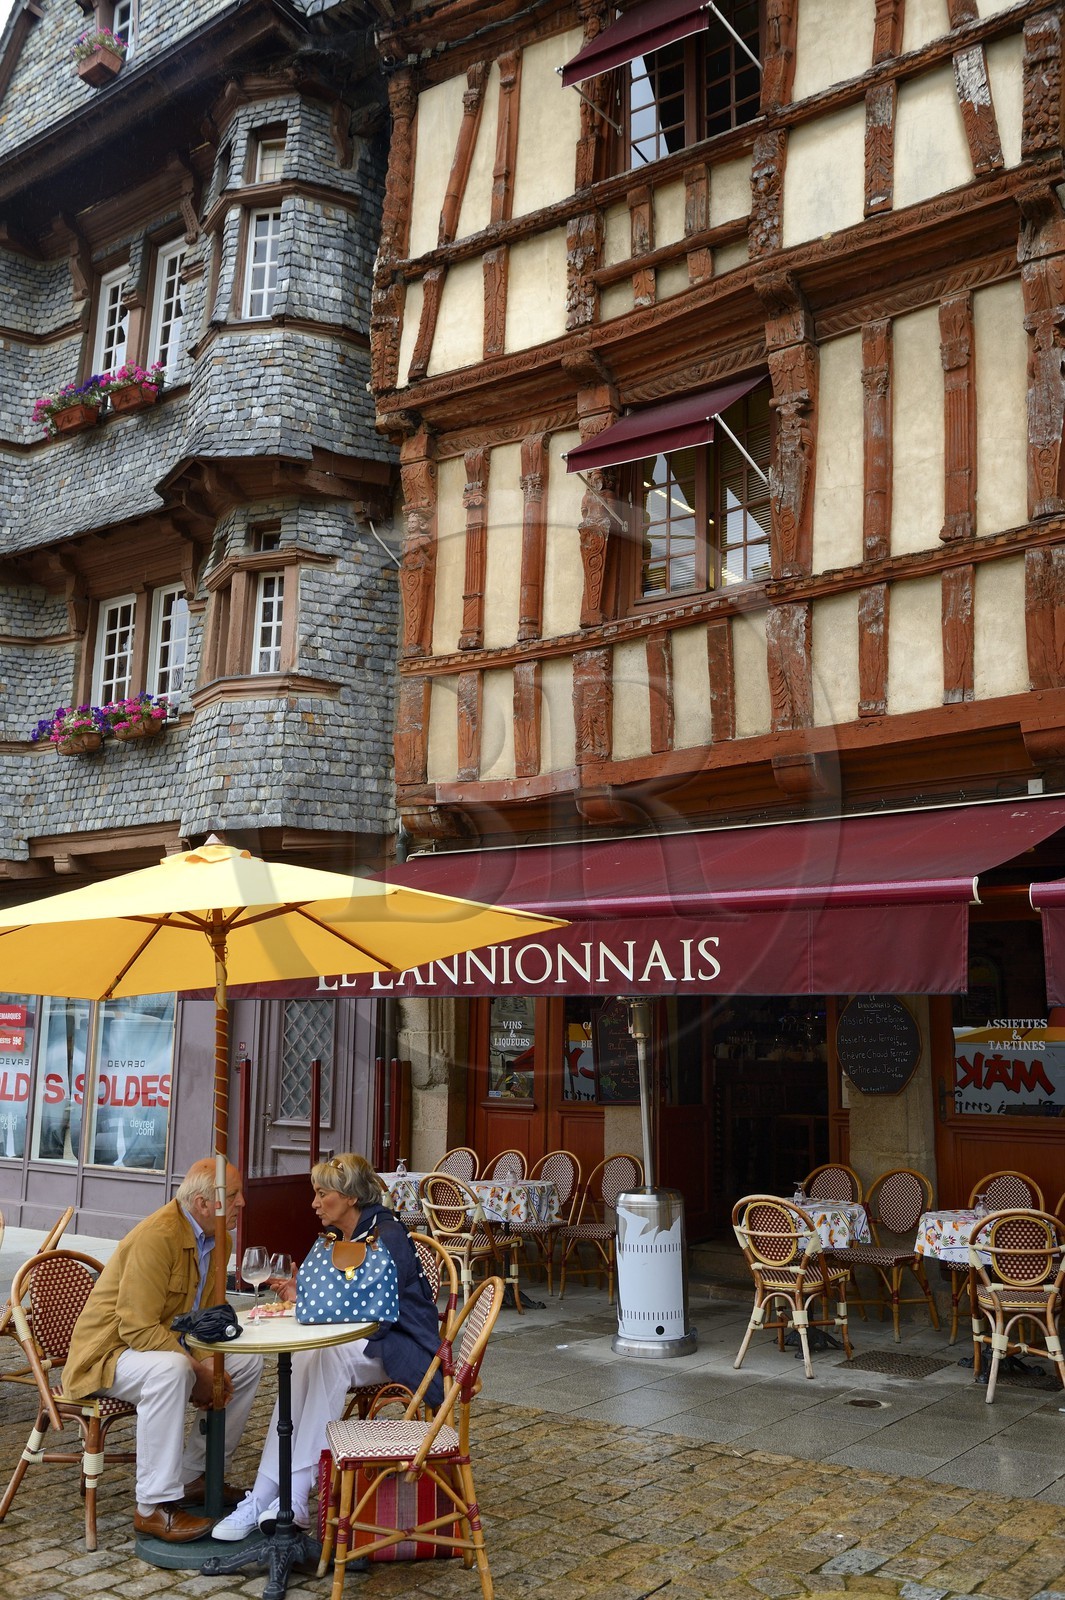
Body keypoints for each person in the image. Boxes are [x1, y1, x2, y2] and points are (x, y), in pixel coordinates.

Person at [211, 1152, 443, 1539]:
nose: (314, 1204)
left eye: (322, 1194)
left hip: (403, 1346)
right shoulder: (342, 1237)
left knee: (328, 1356)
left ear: (350, 1196)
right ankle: (267, 1493)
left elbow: (378, 1316)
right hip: (364, 1341)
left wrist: (320, 1303)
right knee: (305, 1354)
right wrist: (303, 1294)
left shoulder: (387, 1236)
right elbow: (343, 1303)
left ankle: (296, 1495)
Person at [62, 1158, 264, 1543]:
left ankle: (195, 1475)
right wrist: (198, 1371)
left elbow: (204, 1319)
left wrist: (209, 1366)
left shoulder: (221, 1236)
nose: (242, 1204)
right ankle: (152, 1506)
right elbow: (136, 1327)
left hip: (158, 1347)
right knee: (172, 1370)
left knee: (246, 1360)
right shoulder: (158, 1235)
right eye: (235, 1196)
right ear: (205, 1203)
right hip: (106, 1356)